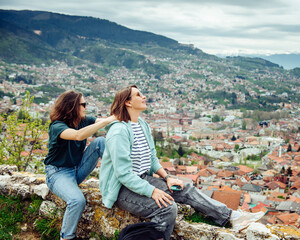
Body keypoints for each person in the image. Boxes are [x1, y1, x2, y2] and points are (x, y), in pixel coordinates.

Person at [99, 85, 265, 240]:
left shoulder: (142, 125)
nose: (144, 97)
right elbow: (123, 174)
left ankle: (231, 217)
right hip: (121, 189)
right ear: (128, 102)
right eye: (138, 95)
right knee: (167, 207)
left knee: (183, 188)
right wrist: (152, 191)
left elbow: (151, 157)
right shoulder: (119, 131)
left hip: (142, 179)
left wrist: (167, 177)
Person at [44, 90, 116, 240]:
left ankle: (120, 177)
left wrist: (119, 117)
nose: (85, 107)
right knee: (77, 201)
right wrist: (104, 122)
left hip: (76, 169)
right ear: (72, 107)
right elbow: (78, 135)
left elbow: (105, 121)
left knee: (100, 142)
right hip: (57, 173)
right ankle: (67, 237)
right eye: (83, 104)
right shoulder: (57, 126)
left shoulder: (82, 120)